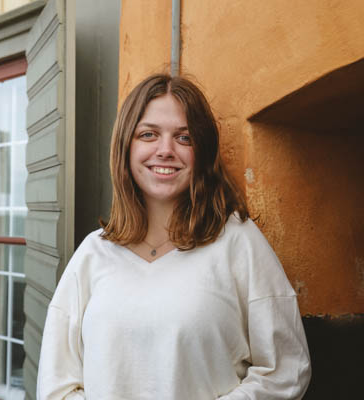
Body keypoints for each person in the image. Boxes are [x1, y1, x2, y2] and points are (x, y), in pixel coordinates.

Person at [37, 74, 311, 399]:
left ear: (202, 150)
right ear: (126, 146)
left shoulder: (238, 242)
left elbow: (285, 370)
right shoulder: (93, 253)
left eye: (184, 137)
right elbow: (56, 384)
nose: (165, 150)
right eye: (148, 134)